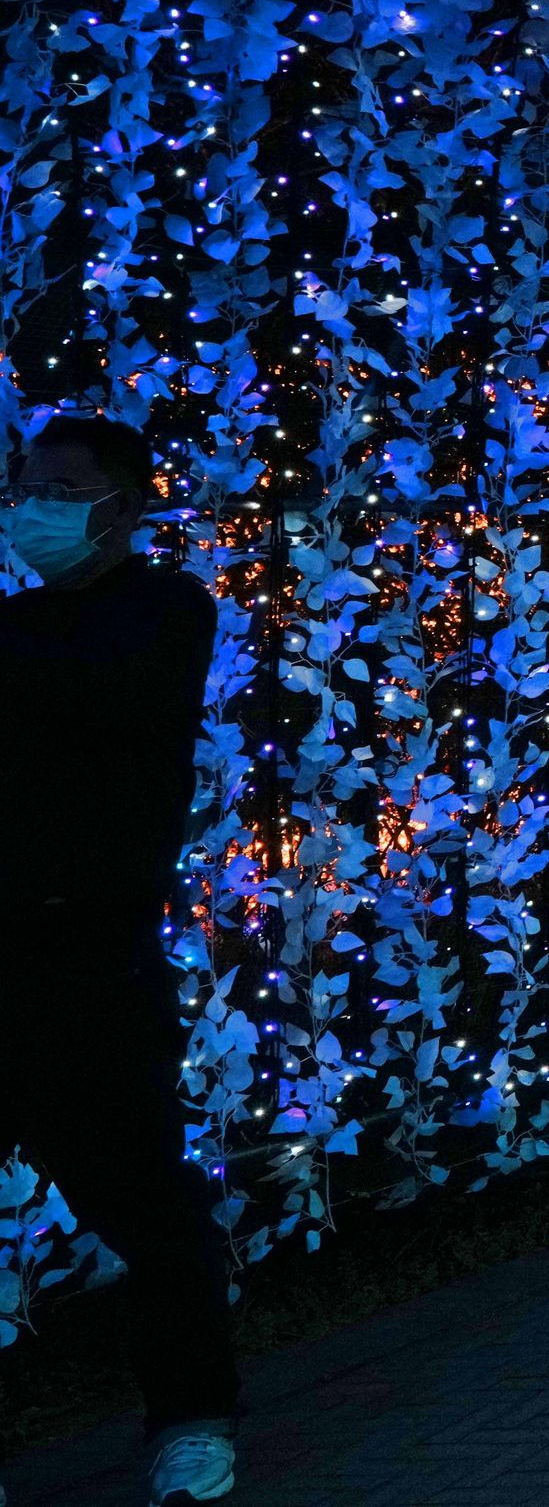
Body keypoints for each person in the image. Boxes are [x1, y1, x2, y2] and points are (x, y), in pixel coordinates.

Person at [0, 414, 240, 1506]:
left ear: (128, 505)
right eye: (26, 487)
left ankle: (191, 1423)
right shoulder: (19, 626)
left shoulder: (162, 610)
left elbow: (92, 691)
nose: (34, 506)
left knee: (146, 1204)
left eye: (61, 489)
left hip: (90, 958)